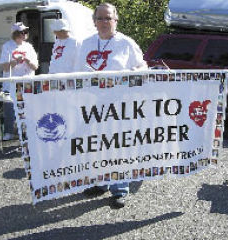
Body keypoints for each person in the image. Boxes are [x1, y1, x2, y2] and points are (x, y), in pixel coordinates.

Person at [75, 3, 147, 208]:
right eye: (100, 18)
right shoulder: (86, 43)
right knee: (95, 145)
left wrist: (130, 75)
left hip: (119, 106)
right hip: (91, 105)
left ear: (115, 20)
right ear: (94, 21)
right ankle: (99, 182)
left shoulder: (126, 43)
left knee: (116, 147)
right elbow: (76, 73)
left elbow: (143, 67)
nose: (104, 22)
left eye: (108, 18)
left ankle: (119, 190)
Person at [0, 22, 38, 140]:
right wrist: (14, 62)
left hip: (27, 82)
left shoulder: (29, 47)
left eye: (26, 31)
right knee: (9, 107)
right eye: (23, 32)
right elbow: (4, 67)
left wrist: (26, 60)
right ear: (16, 34)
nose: (26, 34)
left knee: (27, 108)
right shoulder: (7, 46)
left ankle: (28, 132)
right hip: (11, 82)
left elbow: (35, 66)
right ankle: (9, 132)